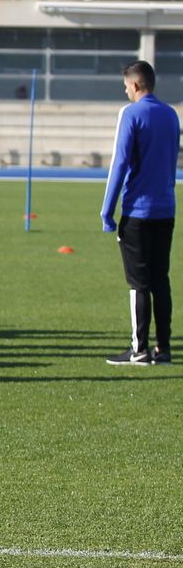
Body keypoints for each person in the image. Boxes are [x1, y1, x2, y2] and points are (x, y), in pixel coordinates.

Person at [101, 59, 179, 366]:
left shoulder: (131, 113)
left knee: (138, 282)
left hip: (137, 211)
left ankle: (139, 349)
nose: (125, 91)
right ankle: (164, 348)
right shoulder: (171, 115)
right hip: (166, 209)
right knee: (161, 279)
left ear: (135, 85)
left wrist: (107, 210)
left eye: (125, 86)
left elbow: (120, 163)